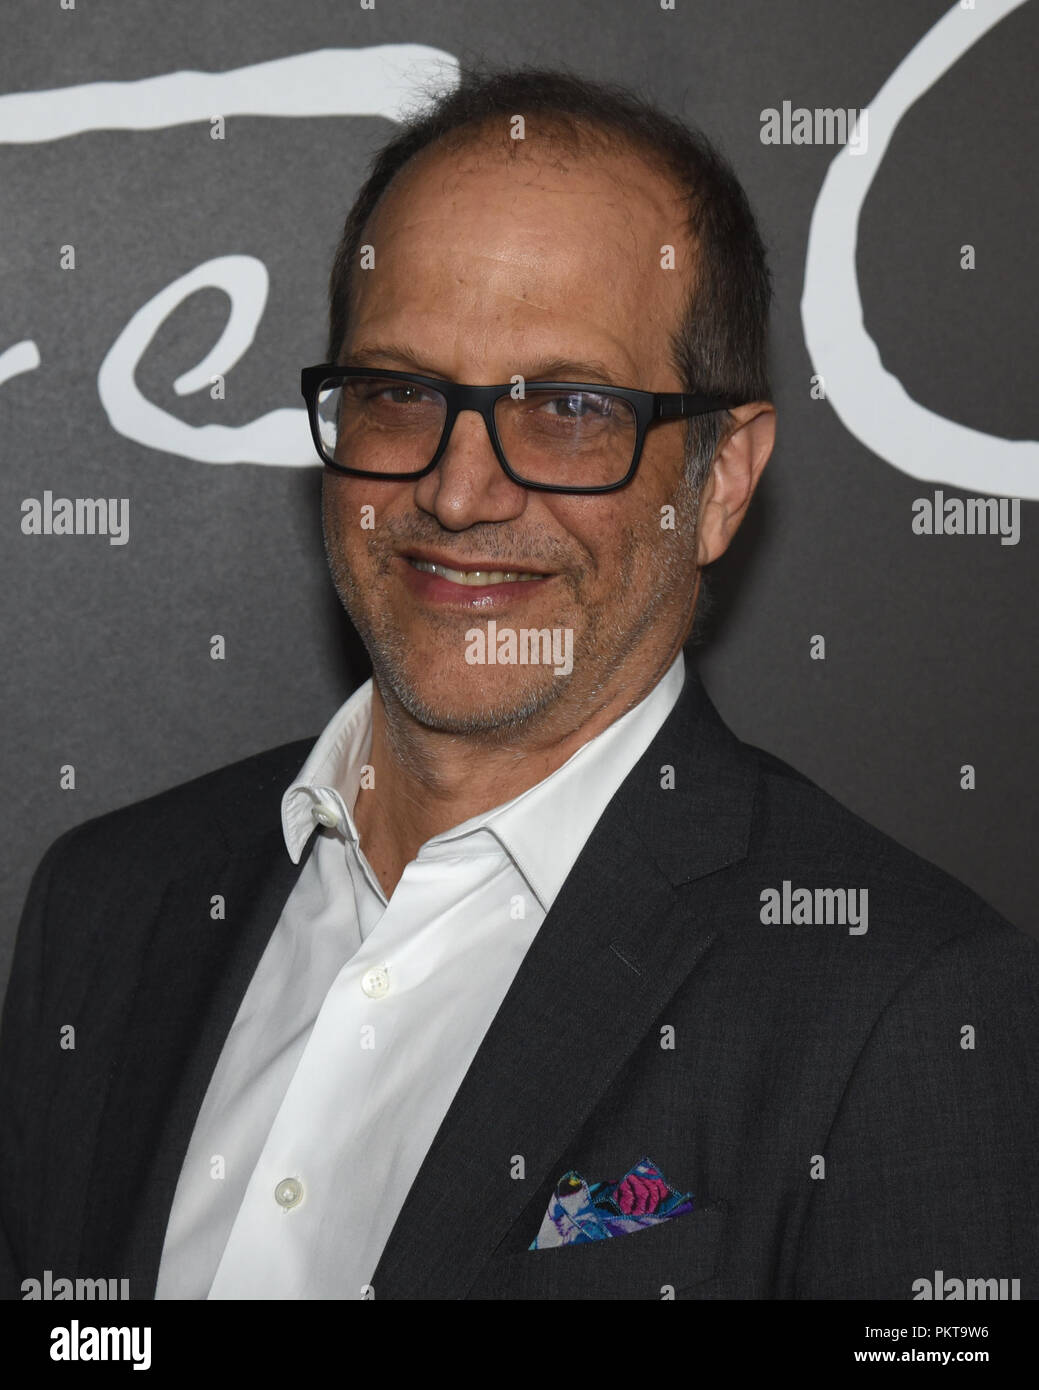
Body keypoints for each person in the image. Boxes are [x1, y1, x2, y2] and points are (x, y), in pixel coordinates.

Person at [2, 65, 1036, 1303]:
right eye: (399, 393)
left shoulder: (897, 1004)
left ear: (717, 481)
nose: (457, 489)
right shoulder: (110, 903)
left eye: (569, 410)